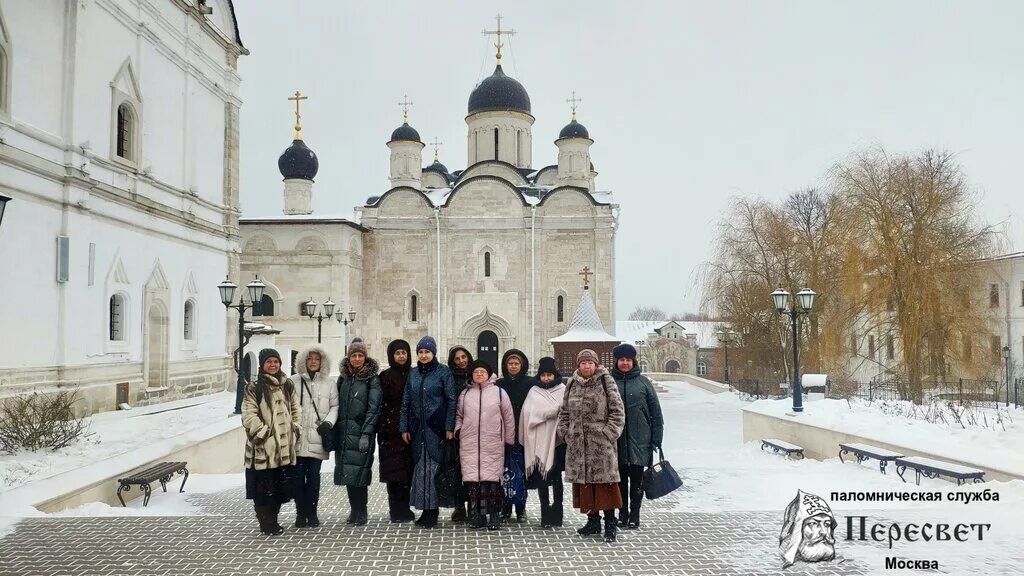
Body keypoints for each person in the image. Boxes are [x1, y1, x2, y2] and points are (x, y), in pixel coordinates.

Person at [557, 349, 625, 543]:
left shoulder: (606, 381)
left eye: (590, 363)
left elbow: (617, 412)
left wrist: (608, 434)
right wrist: (566, 432)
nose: (587, 366)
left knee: (605, 486)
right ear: (578, 365)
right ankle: (593, 521)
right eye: (583, 363)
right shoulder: (571, 383)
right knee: (585, 485)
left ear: (596, 364)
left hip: (601, 445)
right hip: (578, 444)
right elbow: (564, 411)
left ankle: (610, 524)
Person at [242, 348, 301, 536]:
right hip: (263, 449)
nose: (273, 365)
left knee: (278, 488)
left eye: (276, 361)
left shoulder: (287, 384)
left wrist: (295, 428)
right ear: (262, 365)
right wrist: (264, 434)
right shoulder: (254, 387)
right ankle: (265, 523)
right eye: (269, 362)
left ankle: (274, 520)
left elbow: (295, 408)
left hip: (283, 449)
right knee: (263, 489)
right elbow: (249, 415)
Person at [399, 335, 457, 528]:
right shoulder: (414, 373)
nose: (424, 355)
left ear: (434, 353)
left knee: (433, 470)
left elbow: (451, 400)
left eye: (427, 352)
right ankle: (424, 509)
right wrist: (404, 427)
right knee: (420, 470)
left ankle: (432, 511)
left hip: (436, 428)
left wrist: (449, 427)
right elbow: (406, 402)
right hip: (417, 429)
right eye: (421, 352)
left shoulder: (443, 372)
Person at [455, 360, 514, 530]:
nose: (479, 374)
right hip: (470, 443)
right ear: (471, 375)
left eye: (482, 371)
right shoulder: (465, 394)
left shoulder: (499, 393)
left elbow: (508, 418)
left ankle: (494, 515)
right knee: (474, 482)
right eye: (476, 372)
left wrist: (509, 440)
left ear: (489, 374)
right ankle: (478, 515)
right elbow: (459, 415)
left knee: (492, 481)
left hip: (493, 443)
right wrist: (459, 430)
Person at [611, 343, 664, 530]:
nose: (625, 363)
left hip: (640, 440)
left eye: (628, 360)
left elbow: (655, 412)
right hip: (616, 441)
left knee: (637, 481)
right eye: (621, 360)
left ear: (633, 361)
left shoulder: (643, 383)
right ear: (616, 361)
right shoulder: (609, 383)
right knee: (619, 481)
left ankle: (635, 514)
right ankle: (622, 514)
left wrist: (657, 437)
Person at [333, 340, 382, 526]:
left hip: (361, 432)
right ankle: (354, 510)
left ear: (365, 357)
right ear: (349, 357)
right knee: (348, 473)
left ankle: (362, 511)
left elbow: (374, 407)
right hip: (345, 433)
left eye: (360, 355)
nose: (357, 359)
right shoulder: (343, 378)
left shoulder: (372, 379)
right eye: (354, 355)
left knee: (360, 473)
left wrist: (366, 433)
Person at [289, 344, 338, 528]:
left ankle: (312, 513)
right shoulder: (293, 381)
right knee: (297, 479)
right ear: (303, 360)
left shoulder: (329, 383)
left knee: (314, 479)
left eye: (316, 359)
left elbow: (335, 406)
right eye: (309, 359)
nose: (313, 362)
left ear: (322, 362)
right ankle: (300, 514)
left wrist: (328, 423)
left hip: (317, 436)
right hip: (298, 437)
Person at [520, 356, 567, 528]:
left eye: (549, 375)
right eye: (543, 375)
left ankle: (558, 512)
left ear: (555, 375)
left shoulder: (563, 389)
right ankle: (545, 513)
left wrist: (550, 414)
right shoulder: (534, 391)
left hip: (557, 442)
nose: (546, 378)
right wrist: (550, 412)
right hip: (538, 441)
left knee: (555, 478)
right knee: (542, 479)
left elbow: (567, 411)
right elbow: (527, 414)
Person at [378, 339, 415, 523]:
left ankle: (405, 508)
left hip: (409, 432)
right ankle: (396, 511)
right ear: (392, 356)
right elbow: (381, 405)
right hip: (390, 433)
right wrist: (386, 428)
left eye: (404, 352)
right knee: (394, 475)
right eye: (397, 353)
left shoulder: (414, 374)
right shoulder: (385, 376)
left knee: (407, 473)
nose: (401, 356)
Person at [495, 348, 535, 521]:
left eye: (516, 363)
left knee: (520, 472)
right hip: (503, 433)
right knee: (504, 472)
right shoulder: (499, 384)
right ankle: (505, 507)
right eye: (510, 363)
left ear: (522, 365)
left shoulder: (530, 383)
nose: (513, 366)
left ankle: (521, 507)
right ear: (505, 365)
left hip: (523, 432)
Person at [446, 345, 475, 522]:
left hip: (473, 431)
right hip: (456, 432)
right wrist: (450, 427)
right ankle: (459, 506)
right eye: (457, 359)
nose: (461, 361)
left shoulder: (477, 375)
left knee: (472, 470)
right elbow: (448, 403)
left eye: (464, 357)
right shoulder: (449, 377)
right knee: (456, 470)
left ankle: (473, 505)